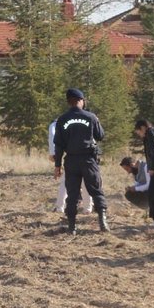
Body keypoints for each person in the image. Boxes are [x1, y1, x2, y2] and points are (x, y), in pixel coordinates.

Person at [52, 88, 109, 235]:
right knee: (96, 190)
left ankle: (72, 227)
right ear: (80, 100)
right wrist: (97, 121)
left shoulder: (62, 119)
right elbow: (100, 135)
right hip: (88, 159)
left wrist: (57, 165)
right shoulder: (90, 117)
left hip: (71, 160)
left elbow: (59, 145)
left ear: (68, 102)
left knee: (72, 194)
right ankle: (103, 222)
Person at [49, 118, 93, 214]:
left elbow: (54, 140)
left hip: (71, 157)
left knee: (65, 182)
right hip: (86, 156)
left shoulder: (56, 124)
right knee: (85, 181)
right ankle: (88, 208)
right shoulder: (86, 121)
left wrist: (54, 155)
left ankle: (60, 206)